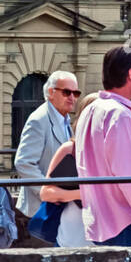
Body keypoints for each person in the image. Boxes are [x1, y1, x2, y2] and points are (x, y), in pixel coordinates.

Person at [73, 46, 131, 246]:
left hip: (100, 222)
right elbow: (129, 174)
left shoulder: (90, 110)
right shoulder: (119, 115)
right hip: (128, 221)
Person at [14, 70, 80, 217]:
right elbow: (23, 163)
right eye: (66, 92)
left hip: (58, 207)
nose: (72, 98)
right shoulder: (39, 120)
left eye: (76, 93)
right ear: (51, 92)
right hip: (41, 210)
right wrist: (47, 191)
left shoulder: (65, 119)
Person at [37, 92, 99, 248]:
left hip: (105, 238)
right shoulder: (70, 149)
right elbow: (46, 192)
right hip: (71, 237)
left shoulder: (114, 151)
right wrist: (82, 194)